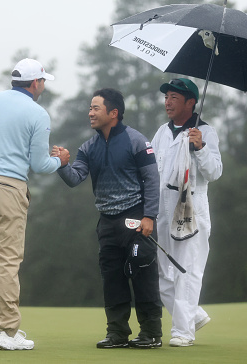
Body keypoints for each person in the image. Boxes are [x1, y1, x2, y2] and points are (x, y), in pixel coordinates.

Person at [0, 58, 69, 351]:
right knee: (8, 259)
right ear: (35, 84)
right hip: (8, 188)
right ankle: (8, 333)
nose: (43, 86)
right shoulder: (37, 113)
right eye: (43, 81)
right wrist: (61, 160)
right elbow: (39, 163)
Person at [53, 88, 163, 349]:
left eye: (96, 108)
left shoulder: (137, 141)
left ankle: (151, 333)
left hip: (136, 219)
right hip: (107, 222)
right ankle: (117, 334)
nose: (90, 113)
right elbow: (74, 179)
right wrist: (62, 164)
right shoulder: (88, 147)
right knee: (112, 277)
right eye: (90, 108)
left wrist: (149, 216)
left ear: (113, 113)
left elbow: (151, 179)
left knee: (143, 274)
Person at [151, 78, 223, 347]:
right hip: (161, 211)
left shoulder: (205, 131)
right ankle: (194, 315)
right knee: (160, 273)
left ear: (190, 102)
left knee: (187, 271)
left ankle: (183, 332)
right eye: (166, 97)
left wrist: (200, 147)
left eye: (174, 97)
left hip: (191, 210)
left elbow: (214, 172)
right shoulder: (161, 132)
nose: (167, 102)